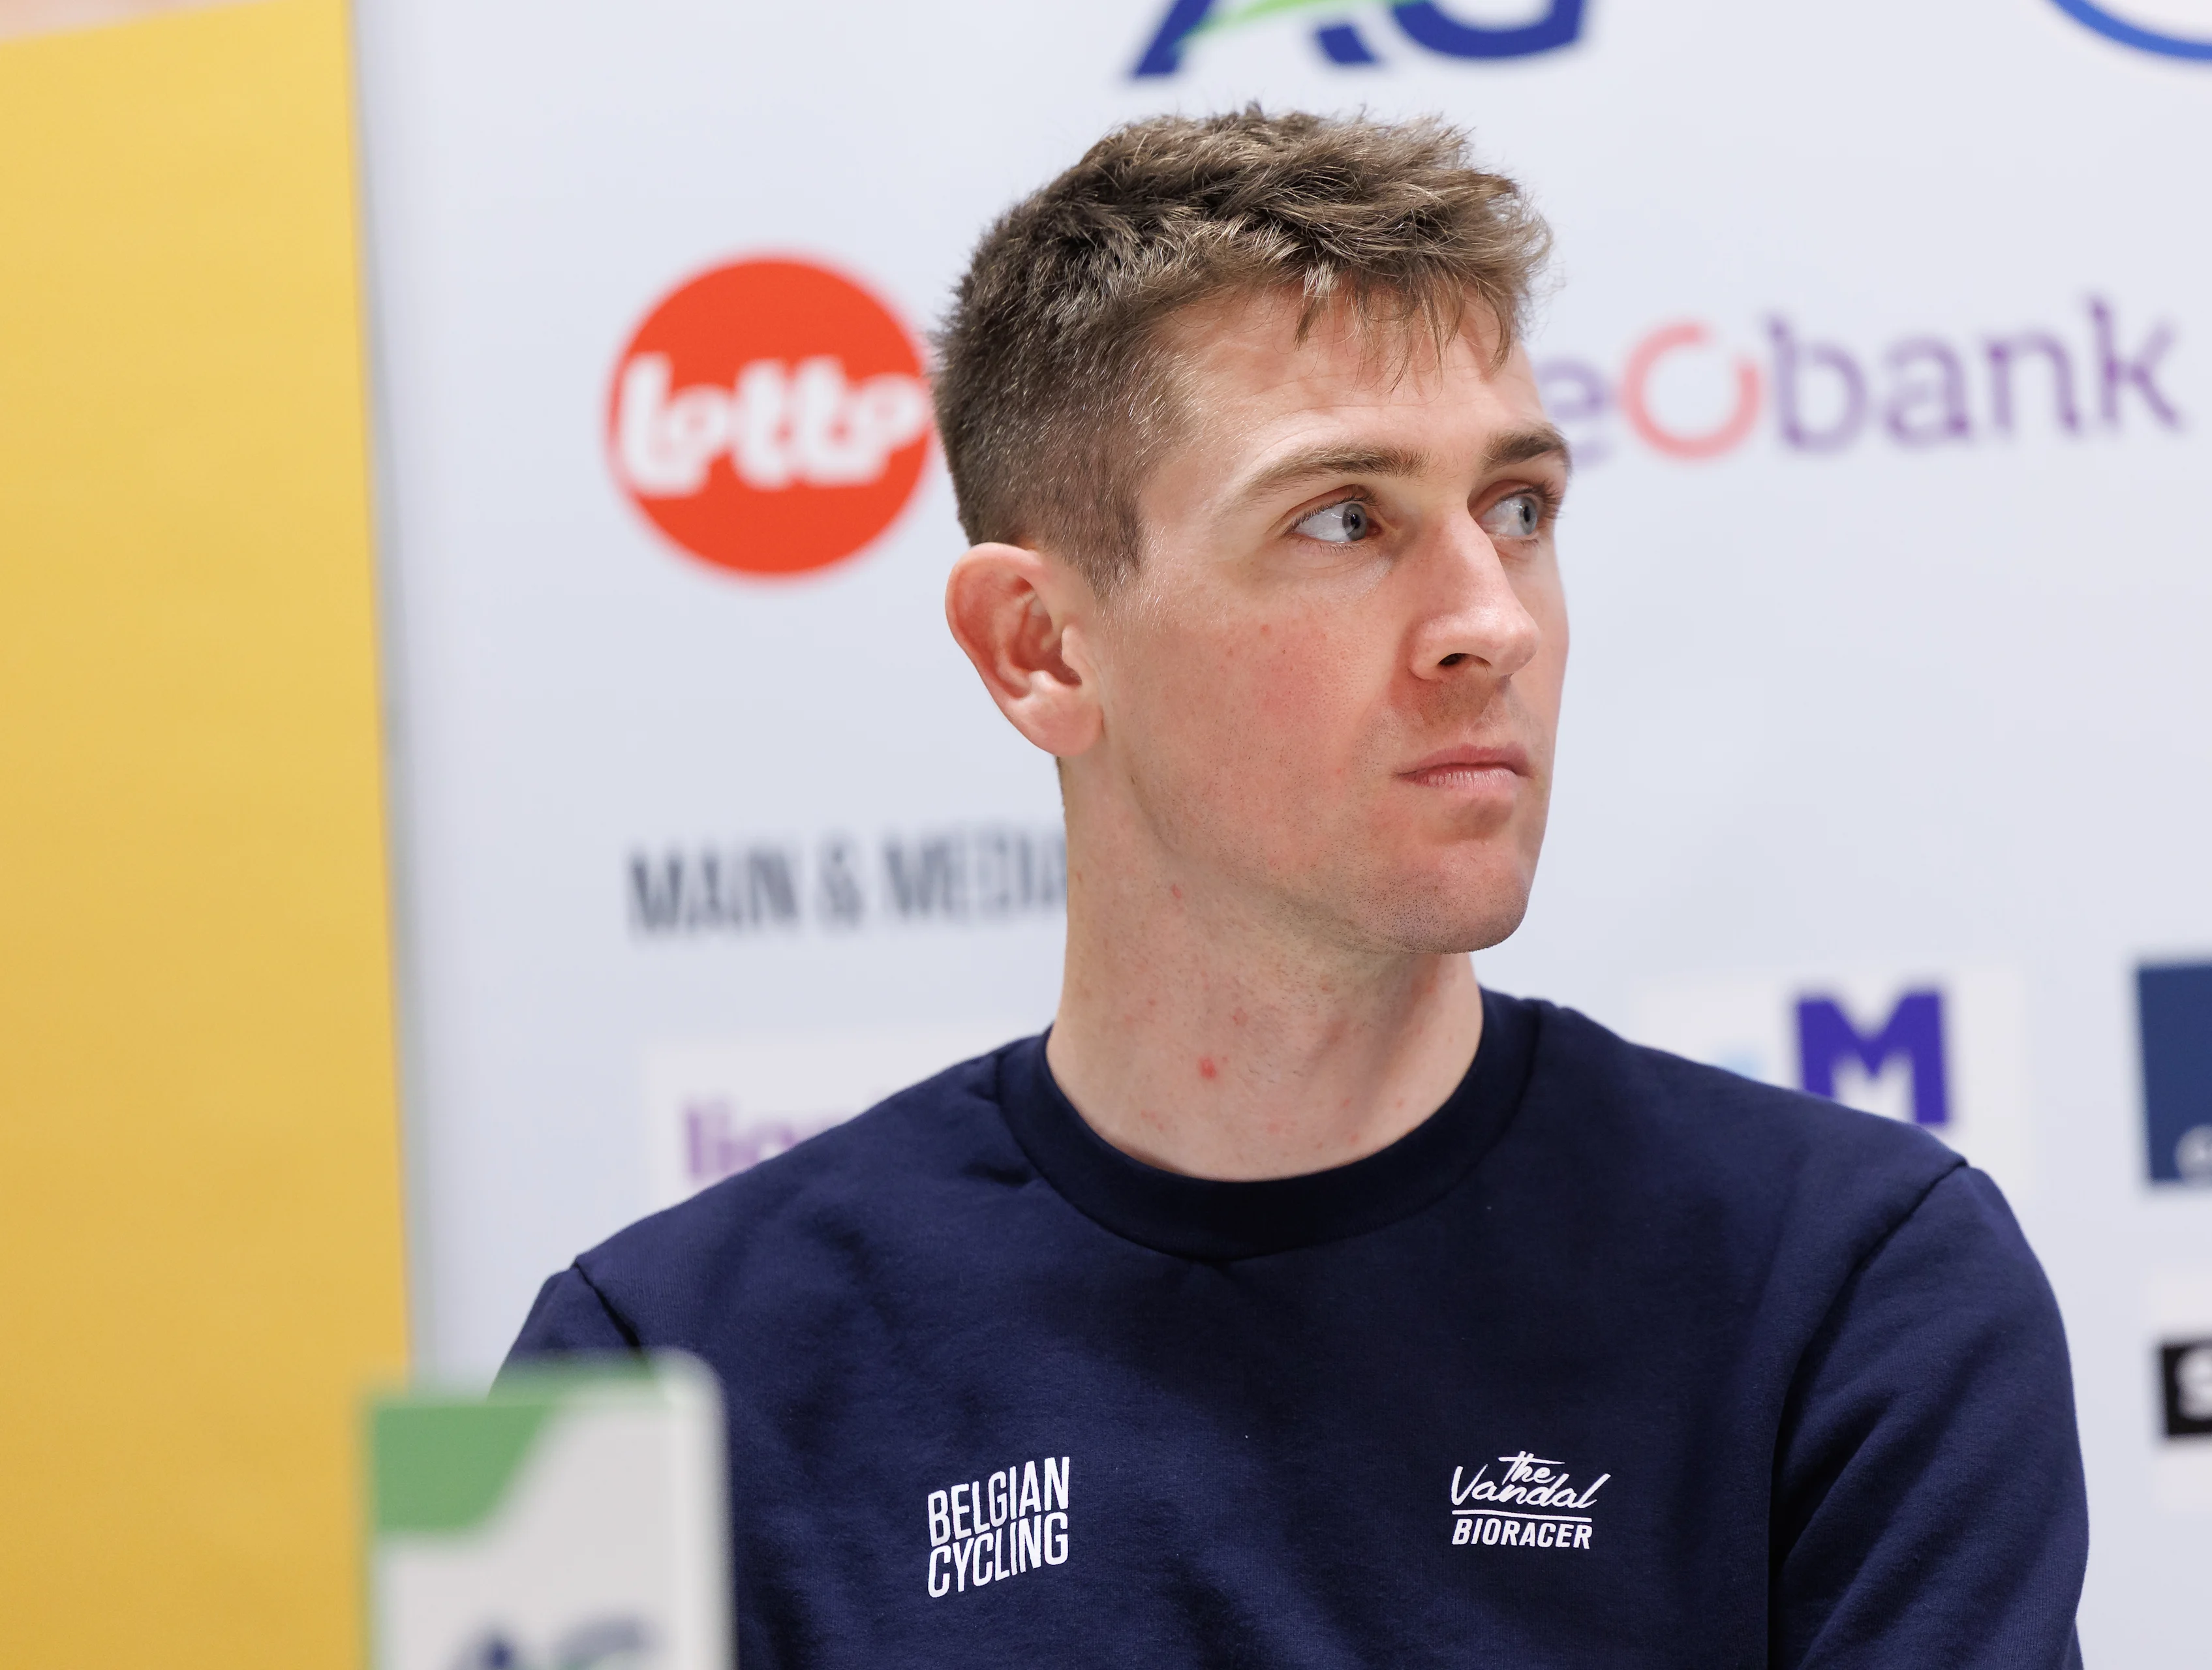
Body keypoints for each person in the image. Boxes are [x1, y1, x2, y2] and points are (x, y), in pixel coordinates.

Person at [508, 107, 2089, 1667]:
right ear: (1039, 647)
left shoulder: (1870, 1283)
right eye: (1347, 518)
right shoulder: (627, 1376)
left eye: (1520, 508)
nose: (1494, 621)